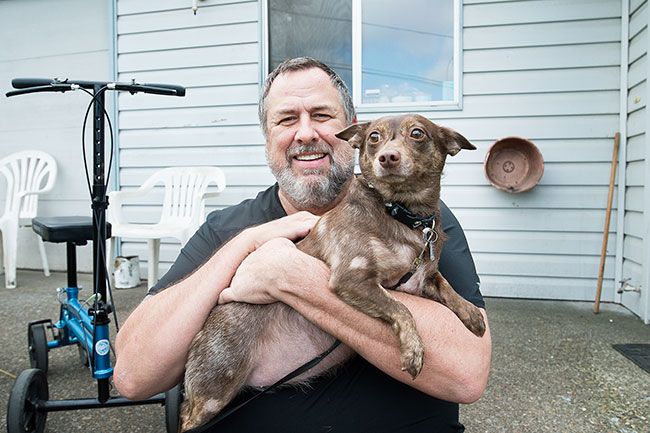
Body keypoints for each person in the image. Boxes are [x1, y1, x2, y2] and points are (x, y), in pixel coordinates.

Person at [114, 57, 492, 433]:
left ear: (350, 131)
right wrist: (242, 248)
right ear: (267, 138)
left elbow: (467, 375)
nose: (306, 133)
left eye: (322, 115)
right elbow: (133, 376)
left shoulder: (421, 219)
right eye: (287, 119)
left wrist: (290, 276)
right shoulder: (225, 228)